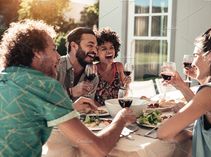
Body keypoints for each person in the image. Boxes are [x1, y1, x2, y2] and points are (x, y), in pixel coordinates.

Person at [0, 19, 136, 157]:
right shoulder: (45, 85)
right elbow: (98, 150)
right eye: (53, 49)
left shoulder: (5, 78)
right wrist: (121, 118)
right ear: (37, 52)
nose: (58, 56)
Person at [157, 21, 211, 156]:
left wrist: (189, 134)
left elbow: (163, 132)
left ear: (210, 57)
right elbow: (210, 112)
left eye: (196, 55)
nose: (193, 63)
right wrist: (182, 86)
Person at [57, 27, 99, 101]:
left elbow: (87, 107)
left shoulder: (93, 75)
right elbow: (45, 101)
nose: (95, 51)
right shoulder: (55, 66)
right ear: (74, 46)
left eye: (96, 47)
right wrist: (71, 92)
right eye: (90, 45)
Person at [94, 27, 131, 106]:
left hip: (116, 109)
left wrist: (126, 84)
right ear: (96, 52)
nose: (109, 51)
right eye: (104, 49)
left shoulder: (119, 67)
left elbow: (124, 94)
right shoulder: (93, 69)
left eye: (112, 47)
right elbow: (89, 97)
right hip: (99, 112)